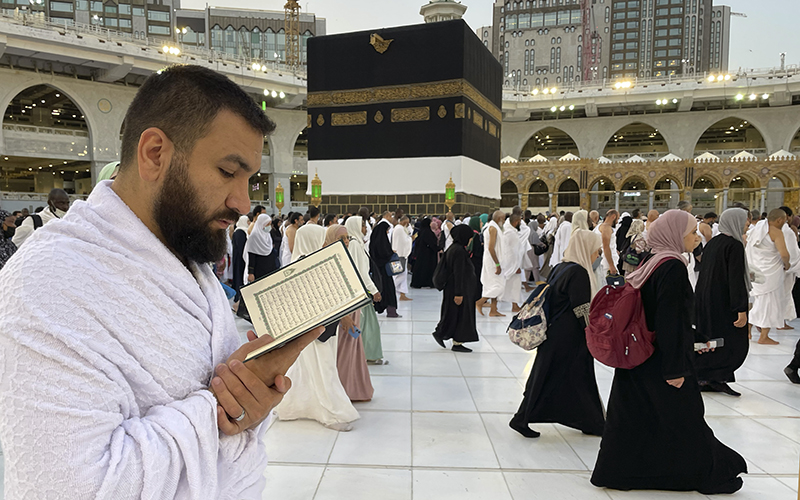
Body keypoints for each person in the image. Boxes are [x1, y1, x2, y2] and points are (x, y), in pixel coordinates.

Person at [0, 65, 327, 498]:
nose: (243, 202)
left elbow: (226, 415)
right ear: (155, 153)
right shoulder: (47, 282)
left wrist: (250, 393)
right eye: (229, 172)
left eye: (250, 179)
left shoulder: (187, 257)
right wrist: (218, 409)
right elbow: (68, 486)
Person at [591, 210, 747, 495]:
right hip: (663, 360)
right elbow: (670, 321)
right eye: (691, 233)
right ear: (675, 235)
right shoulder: (671, 266)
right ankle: (707, 474)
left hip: (639, 356)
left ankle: (617, 472)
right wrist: (676, 370)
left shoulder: (652, 261)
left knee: (633, 418)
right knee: (683, 419)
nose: (696, 237)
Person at [510, 228, 605, 438]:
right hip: (569, 336)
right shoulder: (578, 272)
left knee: (557, 376)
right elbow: (581, 308)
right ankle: (522, 418)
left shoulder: (560, 267)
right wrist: (592, 330)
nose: (598, 255)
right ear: (586, 248)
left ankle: (591, 421)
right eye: (596, 250)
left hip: (555, 332)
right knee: (573, 376)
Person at [276, 223, 359, 431]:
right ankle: (334, 413)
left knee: (308, 368)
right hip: (316, 329)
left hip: (314, 329)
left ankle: (292, 407)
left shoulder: (311, 263)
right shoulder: (306, 265)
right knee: (324, 368)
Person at [694, 208, 750, 397]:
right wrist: (740, 308)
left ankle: (708, 377)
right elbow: (735, 279)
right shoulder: (734, 245)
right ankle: (716, 377)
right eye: (745, 221)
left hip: (707, 300)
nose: (747, 224)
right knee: (730, 341)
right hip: (725, 303)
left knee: (713, 340)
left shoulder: (713, 243)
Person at [325, 224, 374, 401]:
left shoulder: (343, 255)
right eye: (341, 238)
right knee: (343, 353)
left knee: (353, 351)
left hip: (352, 310)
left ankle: (355, 389)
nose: (346, 241)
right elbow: (330, 291)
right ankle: (341, 392)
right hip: (342, 316)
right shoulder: (329, 258)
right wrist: (344, 317)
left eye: (347, 238)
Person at [345, 216, 387, 365]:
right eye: (362, 225)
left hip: (358, 291)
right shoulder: (355, 245)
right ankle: (368, 355)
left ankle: (358, 355)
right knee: (368, 326)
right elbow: (361, 272)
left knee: (361, 324)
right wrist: (374, 290)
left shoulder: (354, 243)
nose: (365, 228)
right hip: (361, 292)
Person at [432, 224, 480, 353]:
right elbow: (458, 273)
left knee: (452, 314)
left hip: (455, 289)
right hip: (458, 290)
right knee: (459, 315)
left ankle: (442, 333)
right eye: (469, 238)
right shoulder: (459, 251)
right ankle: (456, 341)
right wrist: (459, 293)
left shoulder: (454, 248)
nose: (470, 240)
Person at [747, 209, 791, 345]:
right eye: (785, 220)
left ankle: (747, 332)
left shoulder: (756, 229)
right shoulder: (776, 232)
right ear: (779, 220)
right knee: (769, 303)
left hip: (756, 270)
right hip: (770, 273)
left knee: (756, 302)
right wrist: (787, 264)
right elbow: (784, 253)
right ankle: (764, 336)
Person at [476, 211, 507, 317]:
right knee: (499, 286)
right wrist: (497, 264)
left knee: (494, 284)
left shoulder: (493, 226)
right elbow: (491, 248)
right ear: (499, 219)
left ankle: (493, 310)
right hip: (493, 261)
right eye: (503, 218)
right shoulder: (493, 228)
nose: (504, 221)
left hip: (493, 260)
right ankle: (480, 302)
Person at [371, 211, 400, 318]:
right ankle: (391, 311)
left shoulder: (377, 237)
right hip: (383, 269)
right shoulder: (381, 240)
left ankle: (385, 309)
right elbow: (383, 251)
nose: (388, 233)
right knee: (388, 290)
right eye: (387, 231)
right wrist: (390, 253)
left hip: (378, 268)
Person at [246, 213, 277, 286]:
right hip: (259, 268)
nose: (269, 226)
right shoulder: (254, 236)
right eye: (267, 224)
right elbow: (251, 255)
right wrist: (251, 273)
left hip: (270, 267)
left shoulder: (267, 234)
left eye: (270, 224)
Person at [500, 213, 524, 312]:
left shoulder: (509, 231)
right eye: (519, 222)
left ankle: (515, 305)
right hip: (512, 264)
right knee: (511, 286)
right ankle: (482, 302)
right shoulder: (510, 233)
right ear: (515, 222)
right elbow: (511, 252)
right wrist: (515, 266)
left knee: (513, 286)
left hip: (511, 264)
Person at [410, 217, 439, 289]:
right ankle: (429, 282)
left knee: (420, 268)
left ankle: (418, 283)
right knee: (428, 268)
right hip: (428, 254)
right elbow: (430, 242)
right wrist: (437, 248)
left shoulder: (421, 231)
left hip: (421, 253)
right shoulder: (427, 232)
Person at [231, 214, 249, 316]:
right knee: (239, 276)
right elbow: (241, 247)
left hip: (242, 258)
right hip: (240, 259)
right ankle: (237, 297)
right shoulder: (239, 232)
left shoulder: (242, 231)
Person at [595, 209, 619, 287]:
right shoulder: (606, 227)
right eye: (617, 218)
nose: (617, 221)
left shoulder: (599, 226)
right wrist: (611, 265)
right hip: (606, 261)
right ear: (613, 216)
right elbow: (606, 246)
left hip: (605, 259)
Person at [392, 215, 413, 301]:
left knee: (403, 275)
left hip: (402, 255)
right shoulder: (399, 229)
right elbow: (404, 242)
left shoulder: (400, 228)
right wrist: (411, 239)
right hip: (399, 255)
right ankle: (391, 289)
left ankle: (402, 294)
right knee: (398, 275)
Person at [467, 215, 485, 297]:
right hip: (476, 261)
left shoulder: (470, 234)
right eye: (480, 222)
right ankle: (477, 298)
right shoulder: (476, 235)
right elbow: (477, 251)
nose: (482, 224)